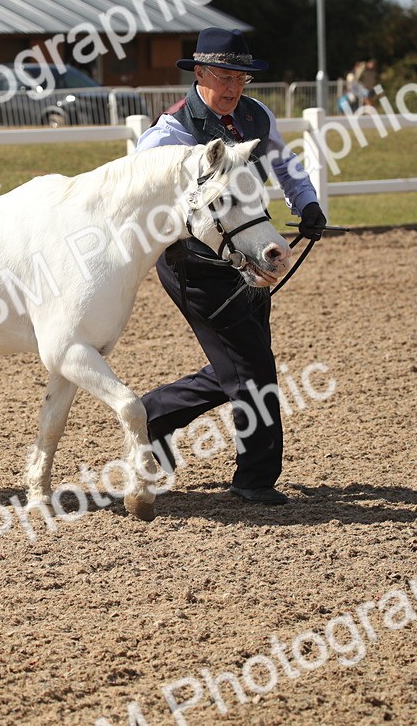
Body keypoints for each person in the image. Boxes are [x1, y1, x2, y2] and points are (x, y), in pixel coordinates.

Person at [137, 27, 326, 505]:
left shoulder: (255, 115)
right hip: (193, 263)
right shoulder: (170, 133)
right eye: (223, 75)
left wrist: (307, 204)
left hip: (245, 255)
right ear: (199, 73)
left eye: (241, 77)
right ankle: (256, 477)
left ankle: (155, 414)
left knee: (239, 363)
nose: (234, 86)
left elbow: (286, 164)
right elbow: (141, 197)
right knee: (254, 368)